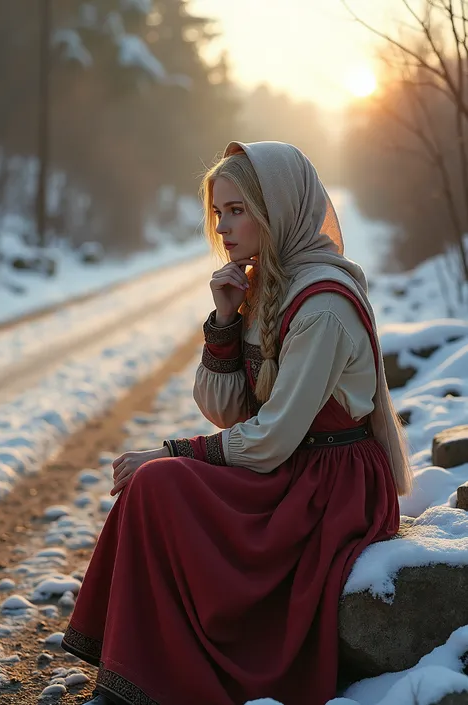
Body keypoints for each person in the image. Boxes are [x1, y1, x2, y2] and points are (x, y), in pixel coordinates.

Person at [61, 140, 412, 705]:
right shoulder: (266, 284)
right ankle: (132, 675)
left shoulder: (323, 304)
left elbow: (271, 435)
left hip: (329, 488)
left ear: (277, 209)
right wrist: (225, 321)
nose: (223, 227)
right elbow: (231, 412)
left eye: (238, 210)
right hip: (291, 467)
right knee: (154, 490)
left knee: (159, 480)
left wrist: (176, 452)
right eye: (218, 212)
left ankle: (156, 676)